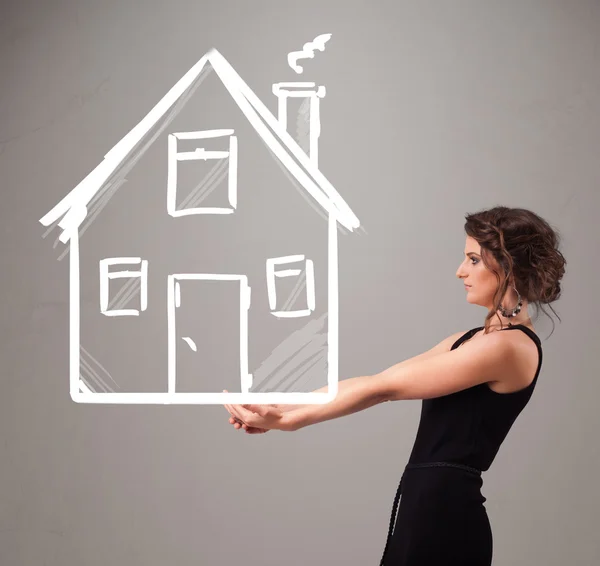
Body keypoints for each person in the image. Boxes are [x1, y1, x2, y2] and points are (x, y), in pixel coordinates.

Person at [223, 206, 566, 565]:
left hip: (447, 521)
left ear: (509, 268)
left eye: (473, 260)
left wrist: (289, 421)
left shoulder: (509, 347)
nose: (460, 270)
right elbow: (378, 381)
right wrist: (278, 406)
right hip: (423, 510)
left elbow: (382, 388)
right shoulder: (470, 339)